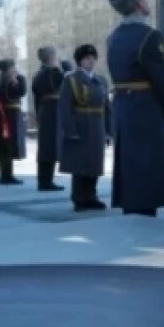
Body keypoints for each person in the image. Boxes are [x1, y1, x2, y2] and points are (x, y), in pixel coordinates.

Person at [105, 0, 164, 216]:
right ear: (138, 4)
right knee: (147, 168)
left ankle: (131, 213)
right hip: (146, 108)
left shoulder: (112, 37)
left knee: (129, 166)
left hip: (123, 107)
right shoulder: (150, 36)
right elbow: (162, 79)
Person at [58, 44, 111, 211]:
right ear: (80, 62)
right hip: (80, 125)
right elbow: (65, 108)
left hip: (97, 126)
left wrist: (109, 130)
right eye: (87, 58)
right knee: (80, 163)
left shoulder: (101, 80)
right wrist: (70, 130)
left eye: (93, 58)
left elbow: (107, 107)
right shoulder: (71, 80)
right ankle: (79, 198)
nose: (91, 61)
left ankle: (91, 196)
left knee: (95, 163)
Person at [31, 46, 65, 191]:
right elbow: (65, 81)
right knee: (50, 146)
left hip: (44, 109)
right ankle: (46, 182)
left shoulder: (38, 74)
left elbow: (36, 95)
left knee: (46, 146)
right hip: (53, 110)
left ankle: (44, 180)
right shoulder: (54, 72)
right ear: (51, 56)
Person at [0, 58, 27, 185]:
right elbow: (21, 91)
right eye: (13, 67)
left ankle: (6, 174)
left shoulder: (0, 80)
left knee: (6, 146)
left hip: (5, 114)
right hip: (9, 115)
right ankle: (6, 176)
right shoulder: (8, 81)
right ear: (9, 68)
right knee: (8, 145)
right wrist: (21, 78)